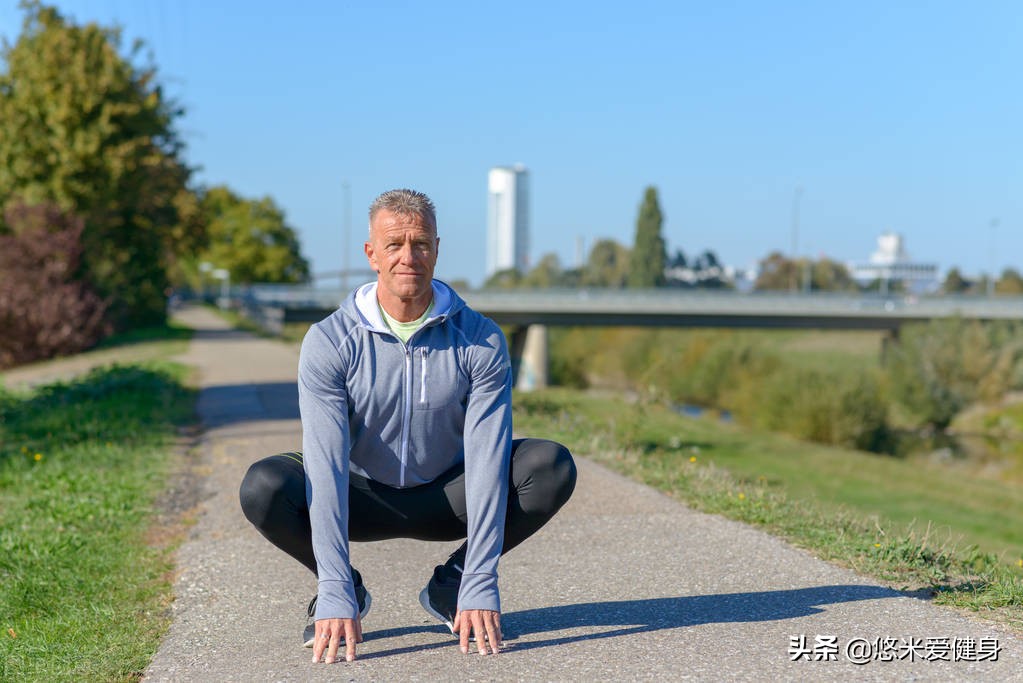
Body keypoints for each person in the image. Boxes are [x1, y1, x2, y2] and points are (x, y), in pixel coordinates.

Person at [239, 188, 577, 663]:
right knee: (264, 486)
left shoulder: (479, 339)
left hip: (446, 496)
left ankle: (451, 588)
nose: (408, 256)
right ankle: (346, 593)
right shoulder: (330, 341)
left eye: (420, 244)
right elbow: (326, 464)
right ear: (371, 254)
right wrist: (334, 586)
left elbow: (486, 459)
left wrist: (480, 580)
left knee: (550, 465)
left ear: (437, 249)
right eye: (394, 244)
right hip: (364, 496)